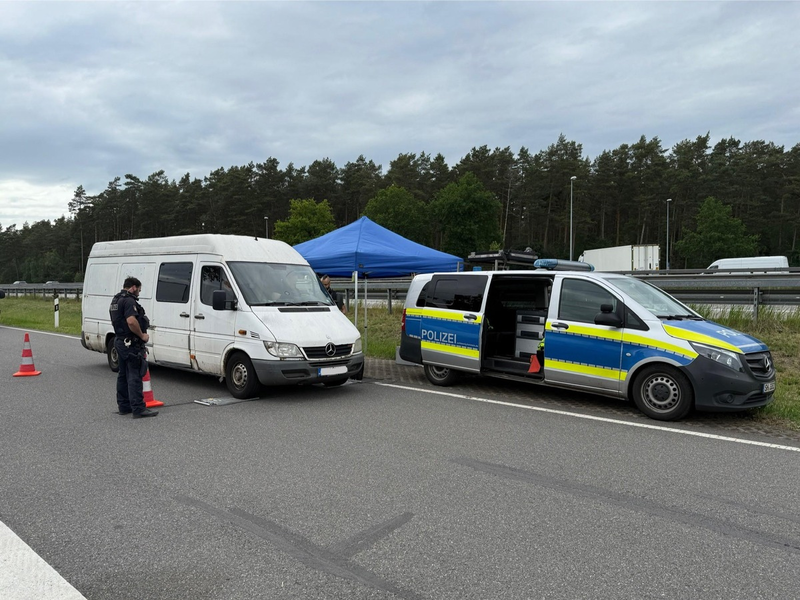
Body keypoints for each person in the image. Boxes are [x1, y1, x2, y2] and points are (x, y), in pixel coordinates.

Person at [109, 277, 158, 418]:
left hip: (119, 340)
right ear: (133, 287)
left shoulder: (115, 300)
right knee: (135, 375)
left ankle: (124, 406)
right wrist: (142, 335)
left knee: (123, 374)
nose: (138, 293)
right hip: (130, 343)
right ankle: (138, 408)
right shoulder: (129, 301)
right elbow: (131, 321)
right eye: (139, 290)